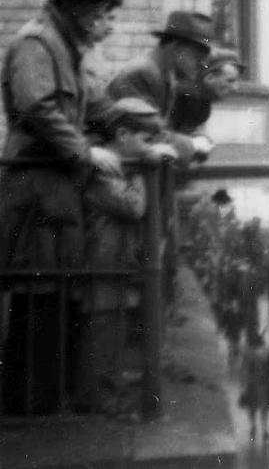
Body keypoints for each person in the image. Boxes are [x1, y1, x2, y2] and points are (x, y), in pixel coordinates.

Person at [1, 0, 125, 415]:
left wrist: (125, 129)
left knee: (53, 289)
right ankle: (28, 404)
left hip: (52, 185)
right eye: (95, 4)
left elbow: (91, 105)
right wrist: (86, 152)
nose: (101, 13)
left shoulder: (65, 45)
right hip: (33, 185)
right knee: (38, 290)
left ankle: (43, 398)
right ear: (68, 3)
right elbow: (36, 105)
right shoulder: (37, 42)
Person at [77, 97, 173, 414]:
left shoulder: (117, 167)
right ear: (121, 136)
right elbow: (133, 207)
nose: (149, 147)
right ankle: (100, 400)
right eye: (145, 139)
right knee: (102, 333)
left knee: (114, 329)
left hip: (115, 262)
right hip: (101, 263)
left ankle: (110, 389)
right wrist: (143, 169)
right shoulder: (102, 171)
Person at [107, 9, 216, 165]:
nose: (202, 64)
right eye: (197, 55)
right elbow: (148, 132)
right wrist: (193, 144)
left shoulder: (163, 74)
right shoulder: (143, 73)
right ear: (176, 48)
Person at [169, 47, 242, 135]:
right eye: (230, 81)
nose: (236, 88)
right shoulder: (182, 98)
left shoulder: (203, 100)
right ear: (209, 78)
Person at [239, 329, 269, 440]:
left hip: (252, 383)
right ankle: (265, 429)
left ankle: (253, 427)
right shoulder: (266, 352)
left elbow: (243, 370)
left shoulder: (248, 353)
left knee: (252, 407)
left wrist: (243, 384)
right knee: (263, 407)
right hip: (262, 384)